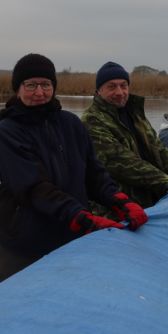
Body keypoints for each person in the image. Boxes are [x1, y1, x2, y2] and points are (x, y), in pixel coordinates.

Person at [0, 54, 148, 281]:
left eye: (46, 85)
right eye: (31, 85)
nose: (39, 92)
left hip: (71, 234)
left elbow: (93, 173)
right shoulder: (7, 130)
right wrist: (81, 217)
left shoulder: (70, 123)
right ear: (17, 89)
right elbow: (33, 187)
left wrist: (118, 199)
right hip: (25, 243)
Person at [81, 62, 168, 208]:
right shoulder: (91, 121)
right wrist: (167, 183)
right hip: (117, 205)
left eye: (123, 86)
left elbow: (158, 149)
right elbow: (123, 163)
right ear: (98, 90)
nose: (119, 92)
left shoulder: (135, 114)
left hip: (149, 197)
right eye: (111, 86)